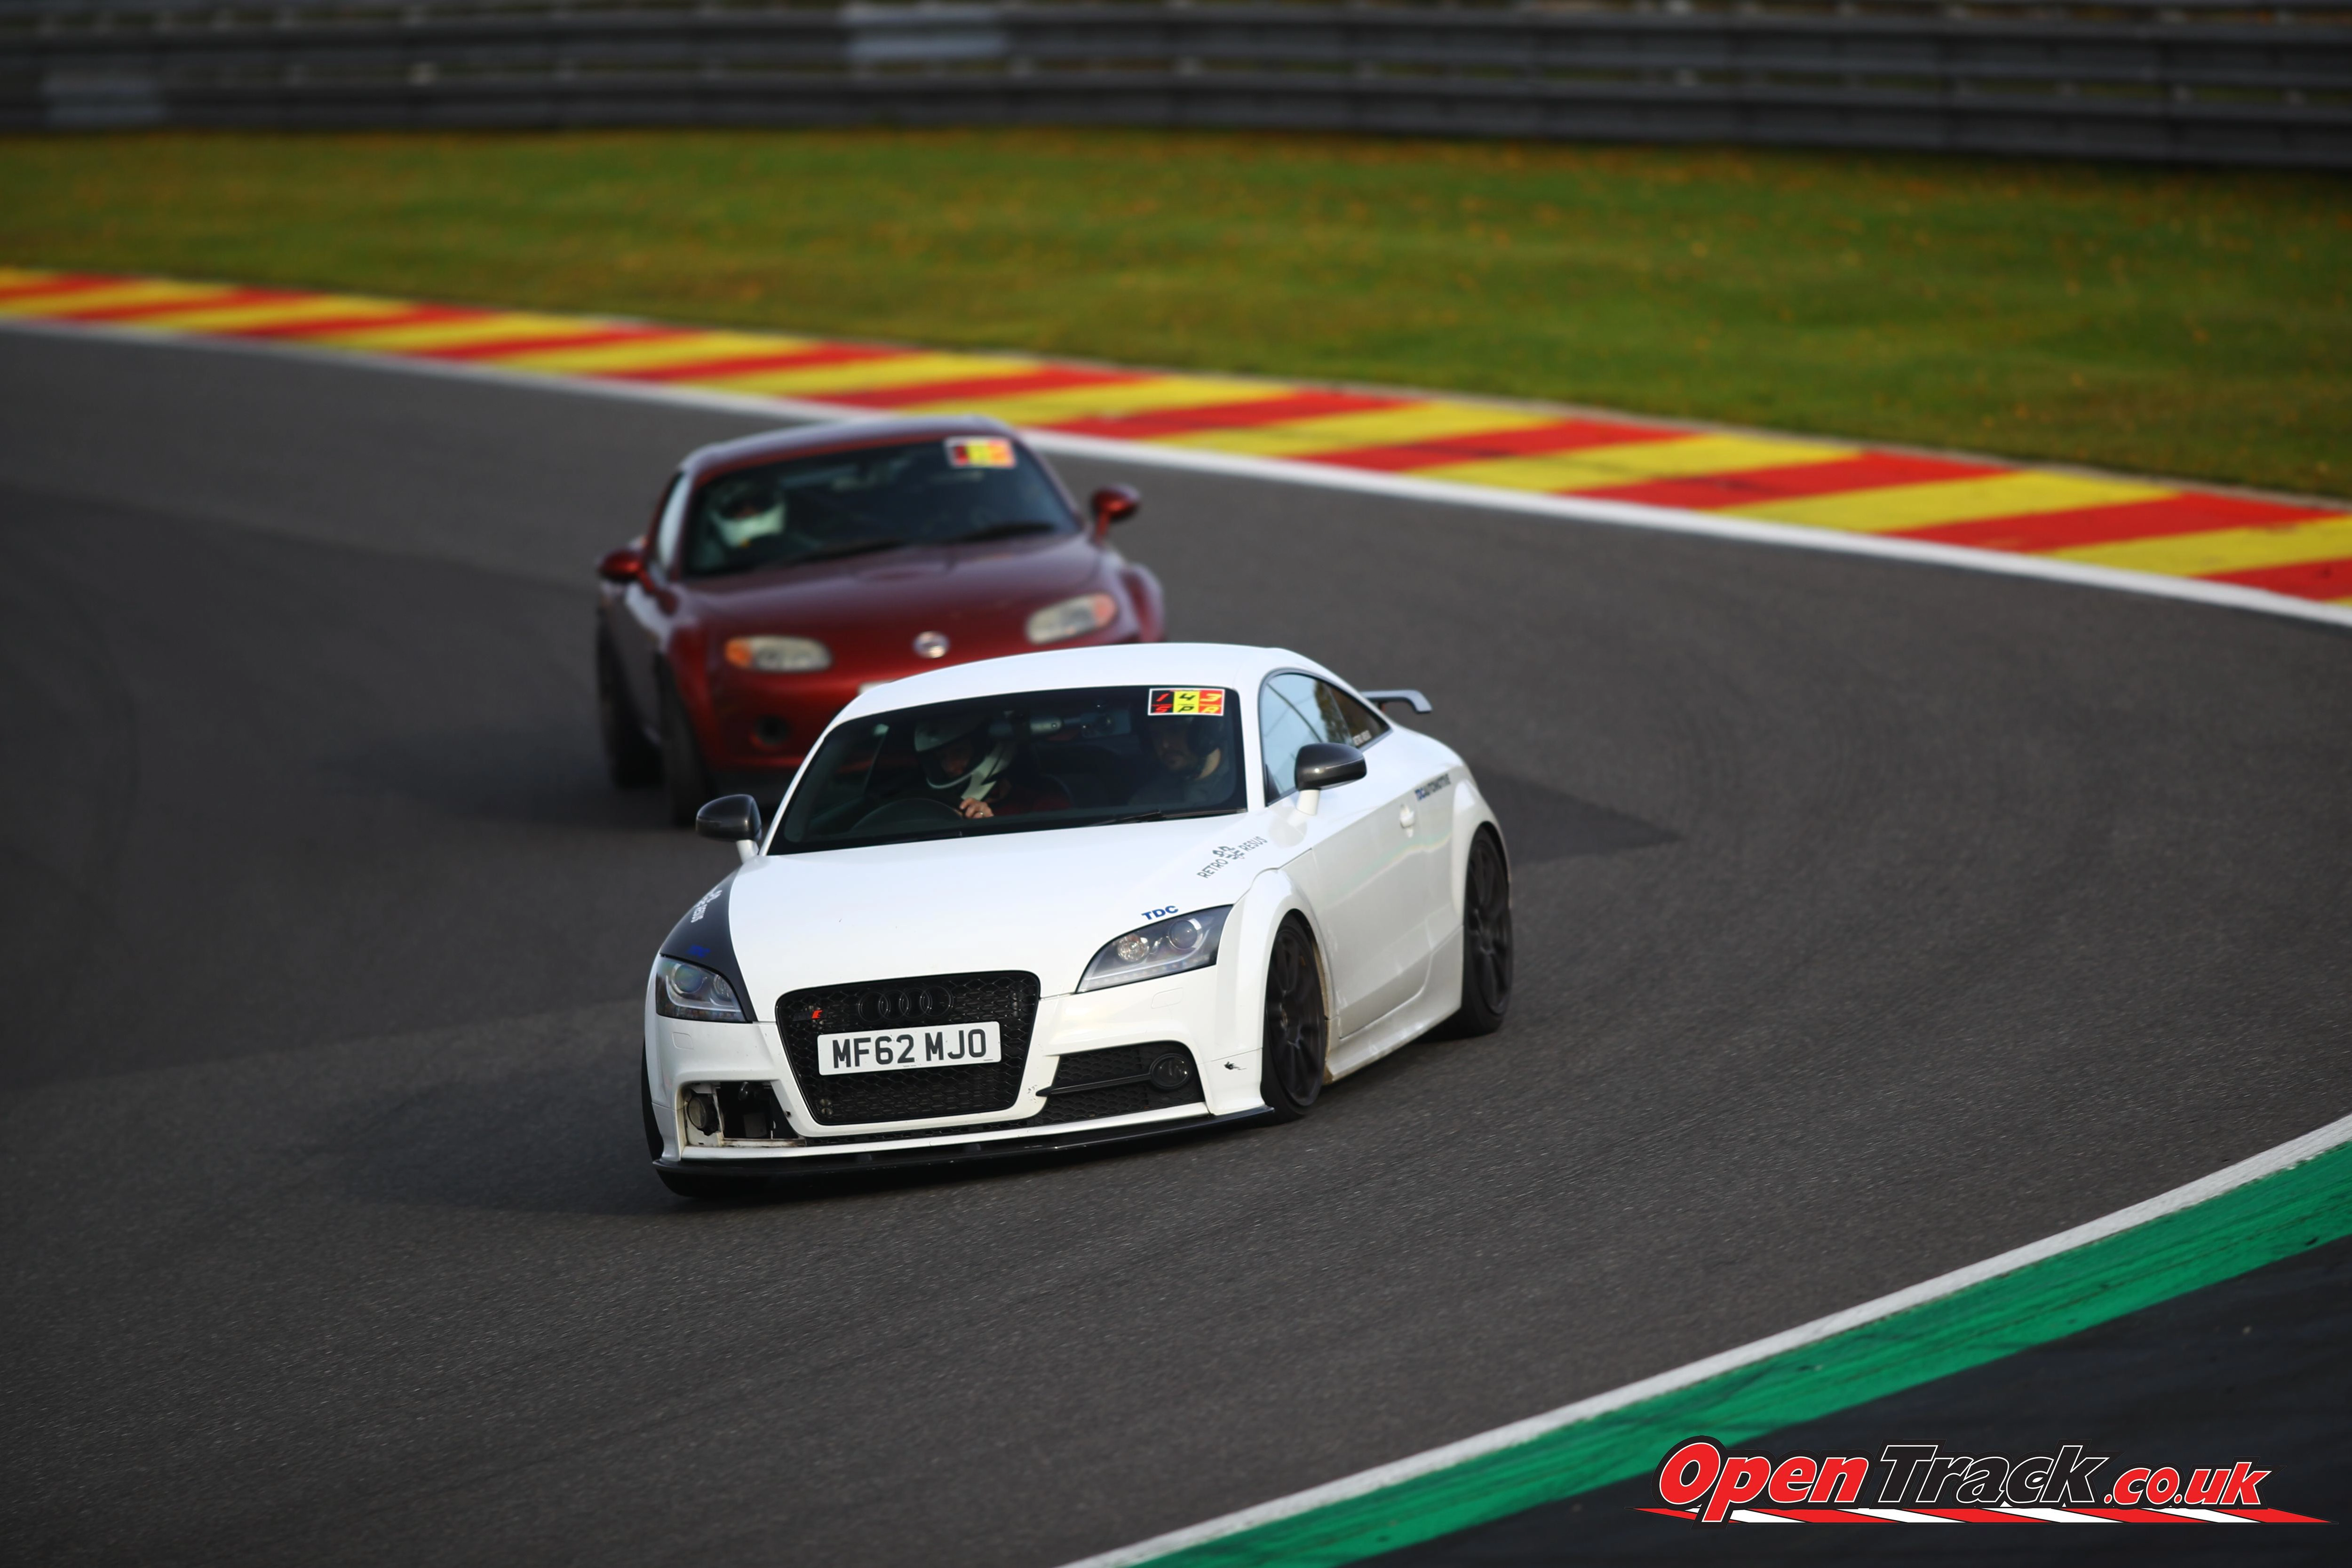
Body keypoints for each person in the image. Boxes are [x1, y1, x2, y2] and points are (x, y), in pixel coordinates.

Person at [911, 712, 1068, 820]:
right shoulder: (931, 811)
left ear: (989, 748)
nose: (949, 768)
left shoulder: (1044, 807)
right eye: (942, 758)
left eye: (959, 753)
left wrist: (988, 825)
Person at [1136, 714, 1237, 810]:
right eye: (1156, 736)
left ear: (1203, 734)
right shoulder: (1149, 800)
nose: (1165, 745)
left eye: (1175, 731)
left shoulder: (1246, 775)